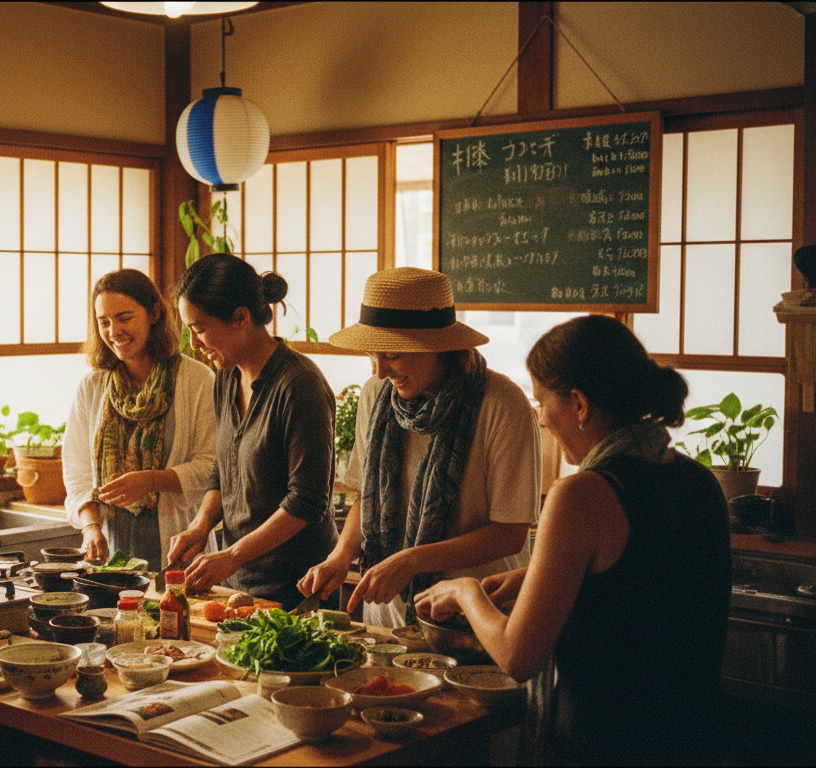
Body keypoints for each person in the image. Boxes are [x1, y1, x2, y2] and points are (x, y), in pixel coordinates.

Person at [415, 315, 730, 766]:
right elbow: (645, 579)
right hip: (691, 740)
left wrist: (465, 590)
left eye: (541, 402)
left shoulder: (580, 495)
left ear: (579, 404)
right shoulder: (699, 481)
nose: (541, 419)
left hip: (606, 745)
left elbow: (516, 657)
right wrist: (533, 576)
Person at [298, 267, 539, 628]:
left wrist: (412, 560)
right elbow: (366, 497)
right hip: (387, 613)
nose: (379, 371)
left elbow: (510, 533)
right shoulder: (376, 395)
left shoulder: (501, 403)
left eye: (392, 355)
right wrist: (341, 556)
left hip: (472, 617)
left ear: (438, 346)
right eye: (371, 355)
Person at [166, 253, 339, 610]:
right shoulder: (226, 377)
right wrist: (201, 525)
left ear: (242, 318)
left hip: (299, 585)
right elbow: (224, 467)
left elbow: (306, 501)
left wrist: (232, 555)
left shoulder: (299, 384)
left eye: (199, 329)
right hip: (239, 581)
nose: (193, 344)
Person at [62, 269, 217, 569]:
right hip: (111, 550)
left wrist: (150, 481)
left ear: (154, 314)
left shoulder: (197, 379)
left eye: (124, 318)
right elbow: (77, 472)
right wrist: (91, 527)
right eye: (103, 322)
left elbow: (212, 467)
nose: (114, 331)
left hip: (181, 548)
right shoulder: (92, 385)